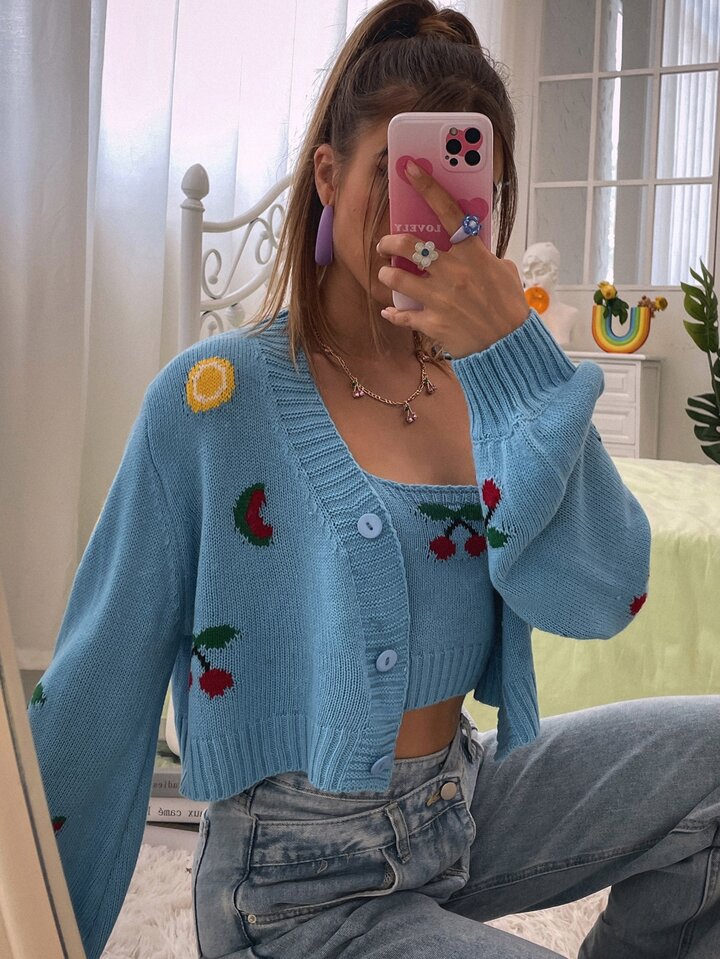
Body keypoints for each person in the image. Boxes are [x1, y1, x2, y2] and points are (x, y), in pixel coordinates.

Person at [27, 2, 720, 957]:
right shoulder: (211, 399)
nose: (422, 215)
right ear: (328, 176)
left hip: (459, 804)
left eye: (459, 184)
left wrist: (515, 358)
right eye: (398, 175)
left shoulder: (492, 385)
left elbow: (608, 593)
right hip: (295, 889)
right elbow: (97, 687)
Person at [521, 240, 579, 349]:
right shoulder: (517, 314)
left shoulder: (570, 314)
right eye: (528, 275)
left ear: (554, 273)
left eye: (540, 273)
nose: (534, 281)